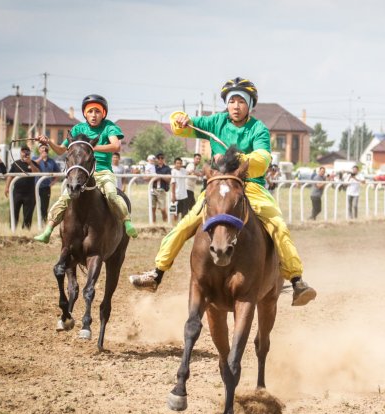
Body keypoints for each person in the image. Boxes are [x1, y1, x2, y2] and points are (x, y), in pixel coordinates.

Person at [129, 76, 316, 306]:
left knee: (278, 225)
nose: (235, 106)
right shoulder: (215, 122)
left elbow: (263, 159)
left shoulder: (258, 129)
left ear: (250, 105)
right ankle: (156, 273)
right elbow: (182, 129)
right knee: (185, 224)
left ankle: (296, 280)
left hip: (251, 187)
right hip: (218, 188)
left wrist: (237, 158)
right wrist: (179, 119)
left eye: (241, 101)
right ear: (226, 104)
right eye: (231, 101)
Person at [33, 94, 138, 242]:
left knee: (111, 194)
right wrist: (49, 141)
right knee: (64, 197)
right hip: (82, 172)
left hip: (103, 171)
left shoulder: (109, 127)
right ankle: (48, 230)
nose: (94, 115)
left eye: (97, 111)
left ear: (103, 113)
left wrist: (91, 148)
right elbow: (61, 150)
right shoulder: (78, 128)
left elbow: (116, 146)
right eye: (90, 111)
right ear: (85, 113)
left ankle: (127, 223)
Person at [5, 146, 39, 229]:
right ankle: (12, 229)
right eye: (23, 151)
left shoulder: (33, 163)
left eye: (27, 152)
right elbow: (10, 176)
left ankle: (26, 231)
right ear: (20, 152)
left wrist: (30, 163)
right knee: (14, 212)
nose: (25, 153)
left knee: (28, 214)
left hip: (29, 193)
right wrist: (7, 187)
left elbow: (37, 173)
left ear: (30, 153)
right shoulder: (16, 163)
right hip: (17, 193)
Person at [34, 143, 60, 222]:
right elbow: (32, 165)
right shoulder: (35, 158)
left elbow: (58, 173)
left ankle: (43, 222)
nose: (44, 150)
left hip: (46, 187)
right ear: (39, 150)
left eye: (46, 148)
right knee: (32, 205)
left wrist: (53, 182)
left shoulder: (51, 161)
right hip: (35, 186)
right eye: (42, 148)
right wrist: (41, 158)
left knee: (44, 206)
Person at [151, 152, 171, 223]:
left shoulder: (167, 168)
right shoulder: (153, 167)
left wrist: (160, 176)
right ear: (156, 159)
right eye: (158, 158)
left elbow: (169, 180)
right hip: (152, 189)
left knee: (163, 209)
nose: (160, 159)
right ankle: (153, 224)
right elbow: (147, 177)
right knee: (152, 209)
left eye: (162, 158)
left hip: (161, 190)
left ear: (164, 159)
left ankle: (165, 223)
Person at [170, 157, 189, 223]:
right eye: (177, 163)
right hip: (177, 196)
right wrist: (173, 195)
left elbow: (189, 173)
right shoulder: (173, 171)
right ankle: (174, 226)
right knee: (175, 213)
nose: (179, 165)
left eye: (180, 163)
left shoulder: (183, 170)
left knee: (184, 213)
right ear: (174, 164)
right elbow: (173, 184)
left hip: (184, 195)